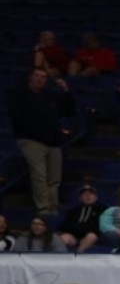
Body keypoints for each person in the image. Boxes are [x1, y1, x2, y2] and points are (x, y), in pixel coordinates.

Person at [8, 69, 75, 216]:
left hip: (52, 142)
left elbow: (69, 111)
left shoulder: (50, 96)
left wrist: (66, 91)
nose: (40, 79)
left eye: (43, 77)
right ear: (30, 77)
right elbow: (17, 119)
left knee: (55, 177)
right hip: (31, 140)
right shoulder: (20, 95)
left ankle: (53, 207)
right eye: (37, 76)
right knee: (39, 174)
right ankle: (43, 208)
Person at [57, 182, 102, 253]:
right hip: (74, 236)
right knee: (64, 238)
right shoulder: (73, 211)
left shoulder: (101, 209)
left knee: (91, 236)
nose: (88, 196)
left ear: (96, 197)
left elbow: (99, 227)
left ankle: (77, 255)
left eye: (90, 194)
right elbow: (64, 226)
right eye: (85, 194)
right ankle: (58, 259)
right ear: (80, 198)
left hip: (91, 237)